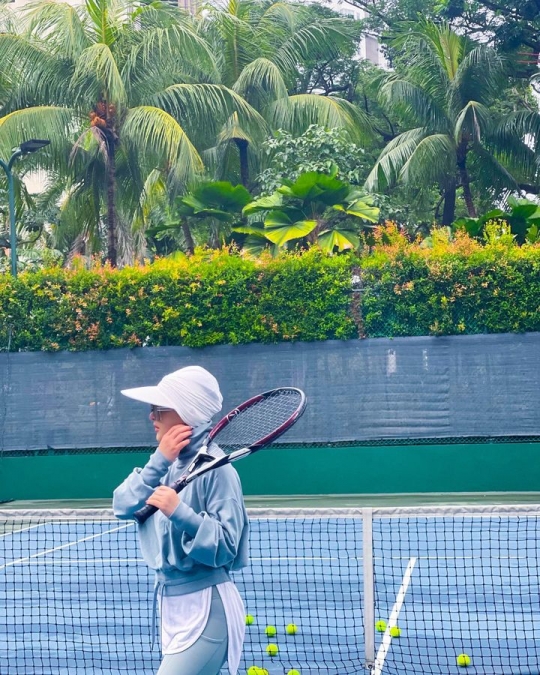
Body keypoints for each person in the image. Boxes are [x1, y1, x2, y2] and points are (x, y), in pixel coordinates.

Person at [112, 365, 249, 675]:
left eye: (159, 408)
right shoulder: (166, 467)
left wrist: (180, 513)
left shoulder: (219, 471)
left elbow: (227, 545)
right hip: (171, 608)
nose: (151, 416)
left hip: (207, 608)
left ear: (186, 412)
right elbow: (121, 505)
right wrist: (158, 461)